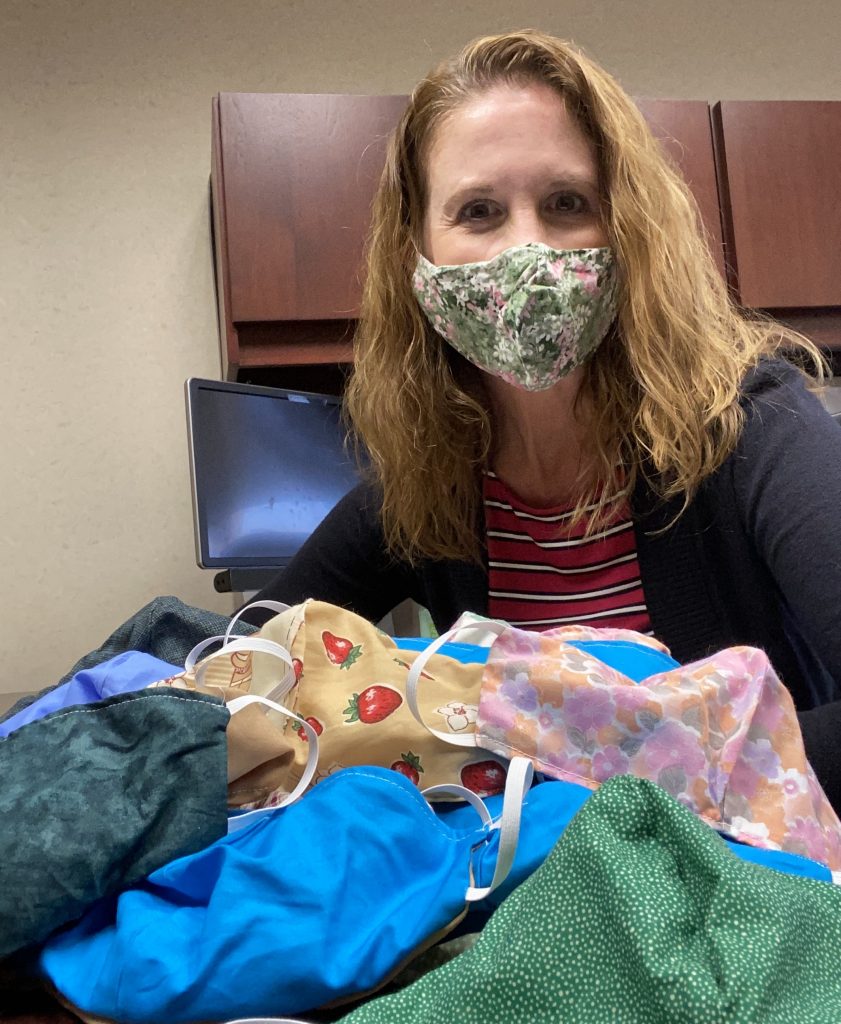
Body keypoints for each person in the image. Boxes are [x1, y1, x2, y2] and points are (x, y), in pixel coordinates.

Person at [241, 31, 841, 799]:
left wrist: (584, 798)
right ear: (415, 256)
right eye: (478, 211)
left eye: (566, 203)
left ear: (628, 227)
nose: (527, 250)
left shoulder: (750, 425)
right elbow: (249, 658)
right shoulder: (426, 487)